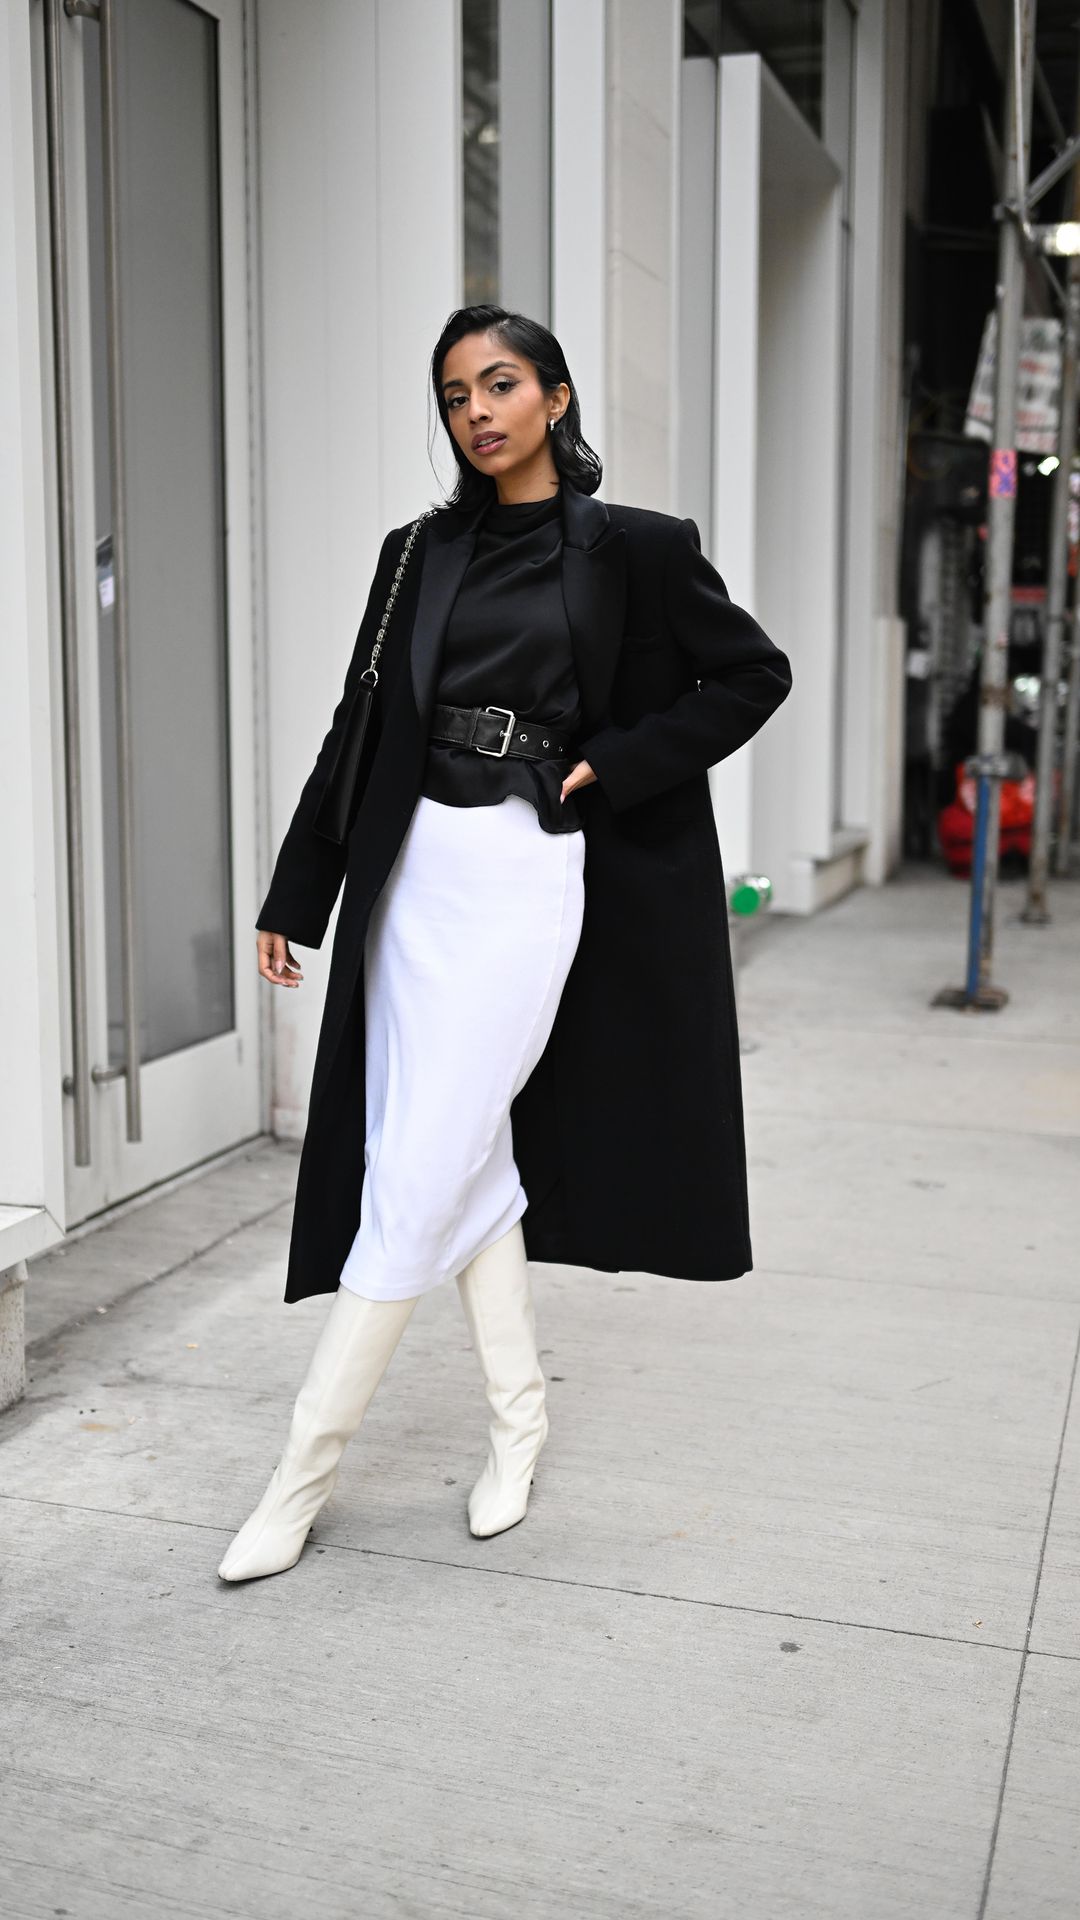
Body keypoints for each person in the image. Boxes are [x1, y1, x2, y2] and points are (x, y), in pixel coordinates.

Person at [217, 306, 792, 1583]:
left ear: (556, 397)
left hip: (527, 872)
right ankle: (520, 1426)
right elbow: (359, 724)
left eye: (501, 384)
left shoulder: (637, 548)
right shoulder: (417, 554)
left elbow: (754, 675)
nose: (476, 412)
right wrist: (299, 892)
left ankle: (299, 1478)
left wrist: (616, 765)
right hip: (412, 874)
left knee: (416, 1168)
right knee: (461, 1159)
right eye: (454, 395)